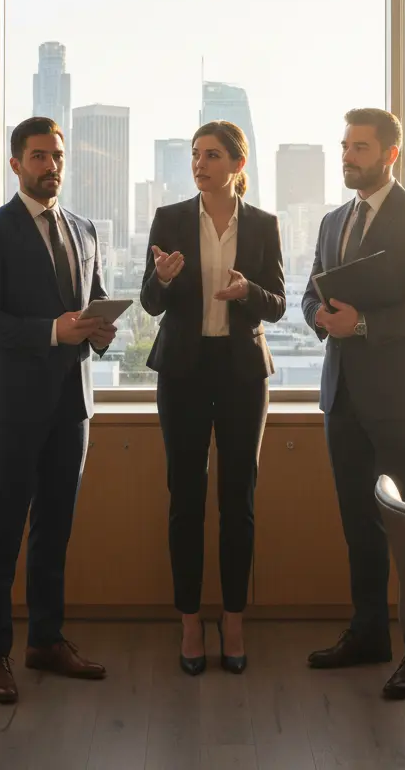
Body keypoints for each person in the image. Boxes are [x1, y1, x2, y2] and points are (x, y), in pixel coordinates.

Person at [0, 116, 117, 705]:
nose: (50, 165)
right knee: (3, 530)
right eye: (37, 156)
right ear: (14, 164)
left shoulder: (84, 228)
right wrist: (52, 331)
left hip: (73, 402)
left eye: (57, 155)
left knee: (55, 528)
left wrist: (100, 330)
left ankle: (46, 641)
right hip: (14, 405)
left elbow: (92, 302)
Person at [302, 107, 405, 701]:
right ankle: (368, 633)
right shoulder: (332, 220)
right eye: (344, 146)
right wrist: (319, 316)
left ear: (390, 154)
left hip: (397, 393)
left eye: (360, 147)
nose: (348, 155)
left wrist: (362, 324)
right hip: (341, 393)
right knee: (357, 522)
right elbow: (313, 286)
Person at [141, 120, 285, 676]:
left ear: (237, 166)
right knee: (185, 497)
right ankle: (189, 622)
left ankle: (233, 618)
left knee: (238, 499)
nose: (200, 164)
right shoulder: (170, 219)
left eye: (213, 155)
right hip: (182, 373)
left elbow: (276, 303)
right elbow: (151, 303)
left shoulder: (265, 225)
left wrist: (248, 291)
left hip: (243, 374)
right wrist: (164, 278)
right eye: (196, 155)